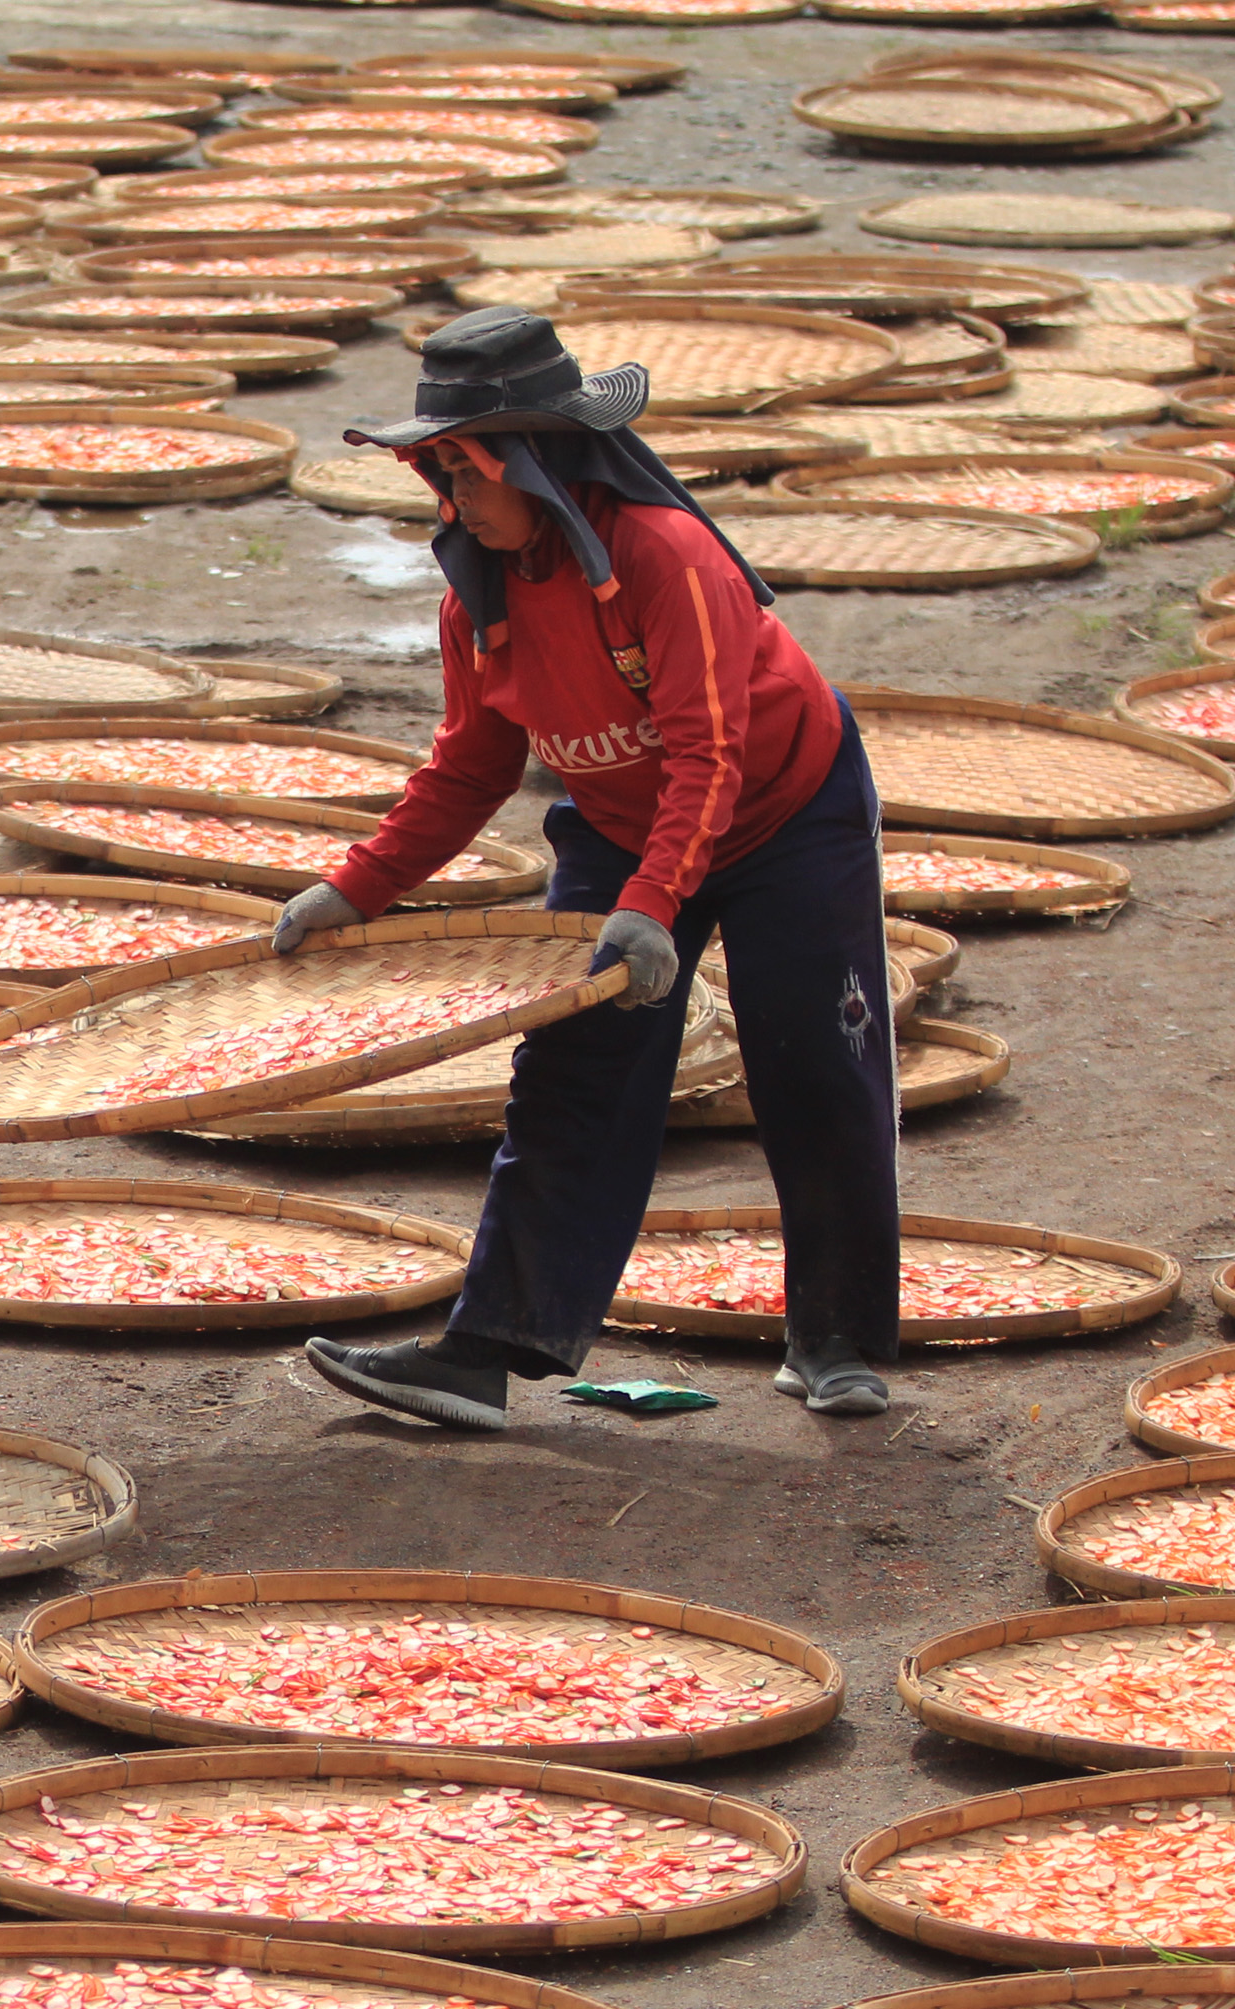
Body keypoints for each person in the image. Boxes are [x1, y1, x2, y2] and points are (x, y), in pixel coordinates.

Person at [275, 308, 901, 1432]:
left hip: (783, 809)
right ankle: (484, 1354)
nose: (451, 500)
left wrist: (654, 908)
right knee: (572, 1077)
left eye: (463, 471)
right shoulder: (480, 592)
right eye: (438, 475)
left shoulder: (666, 555)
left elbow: (712, 749)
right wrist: (355, 886)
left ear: (533, 460)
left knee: (814, 1061)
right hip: (621, 825)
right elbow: (468, 768)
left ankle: (837, 1341)